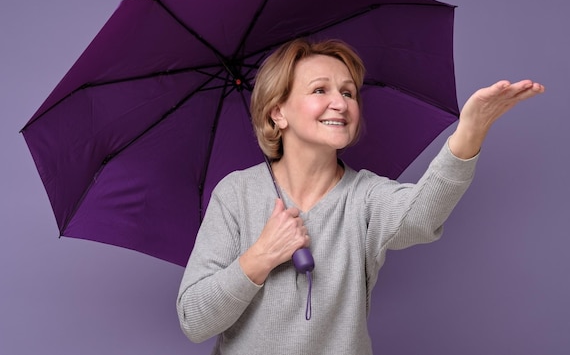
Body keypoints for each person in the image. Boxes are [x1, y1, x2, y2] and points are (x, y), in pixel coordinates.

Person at [176, 39, 544, 354]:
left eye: (348, 92)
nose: (340, 102)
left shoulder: (366, 196)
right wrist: (261, 256)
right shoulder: (236, 193)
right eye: (320, 90)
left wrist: (471, 132)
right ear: (278, 112)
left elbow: (422, 216)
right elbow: (194, 320)